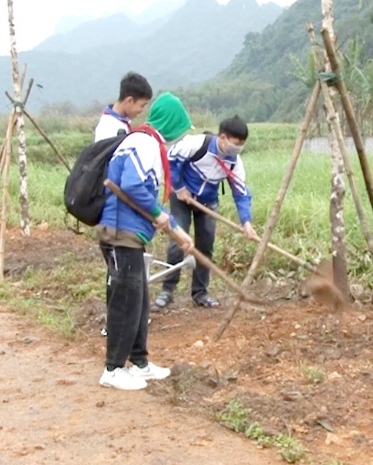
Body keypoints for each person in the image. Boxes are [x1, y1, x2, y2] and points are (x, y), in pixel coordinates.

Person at [96, 92, 194, 390]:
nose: (179, 138)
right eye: (179, 129)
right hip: (119, 232)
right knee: (126, 301)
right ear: (171, 123)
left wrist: (177, 229)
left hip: (133, 234)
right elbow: (131, 186)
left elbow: (148, 196)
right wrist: (161, 217)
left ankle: (139, 363)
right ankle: (113, 369)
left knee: (139, 300)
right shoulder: (144, 142)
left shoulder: (147, 143)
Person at [153, 115, 259, 310]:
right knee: (178, 241)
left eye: (241, 146)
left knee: (205, 247)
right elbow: (170, 160)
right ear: (223, 138)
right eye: (235, 144)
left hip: (208, 203)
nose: (237, 150)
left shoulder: (234, 163)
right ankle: (167, 290)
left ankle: (200, 293)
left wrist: (247, 222)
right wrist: (179, 186)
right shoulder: (196, 144)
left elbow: (241, 194)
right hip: (182, 197)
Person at [94, 71, 152, 142]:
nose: (142, 110)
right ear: (129, 101)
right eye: (142, 105)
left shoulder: (121, 121)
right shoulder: (109, 129)